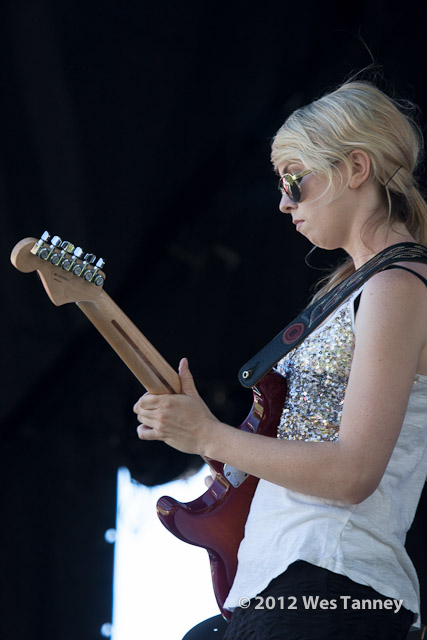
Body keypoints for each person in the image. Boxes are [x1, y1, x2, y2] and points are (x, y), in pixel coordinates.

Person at [133, 80, 427, 640]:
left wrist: (211, 436)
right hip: (278, 581)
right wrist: (207, 436)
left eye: (294, 178)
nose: (284, 202)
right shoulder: (354, 288)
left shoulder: (396, 285)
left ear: (356, 168)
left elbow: (352, 473)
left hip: (331, 580)